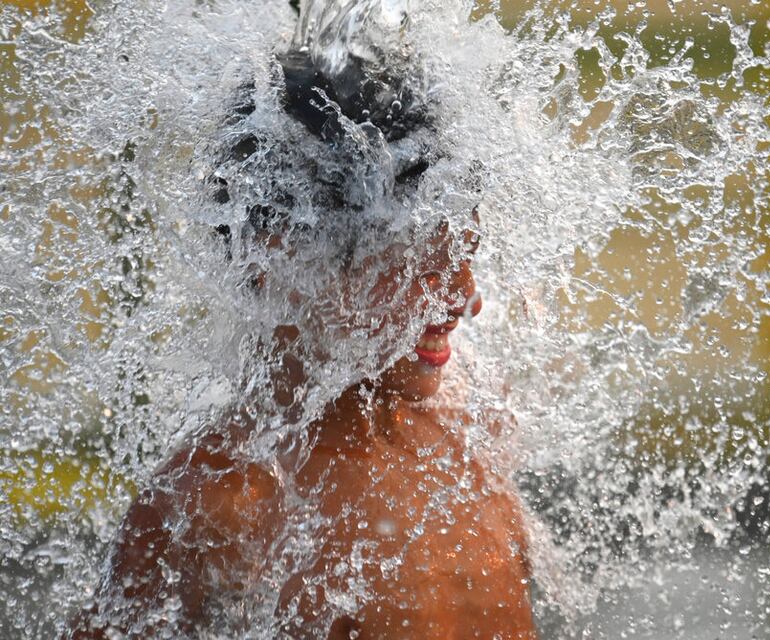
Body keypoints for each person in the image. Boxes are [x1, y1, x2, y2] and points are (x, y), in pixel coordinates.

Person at [63, 36, 537, 640]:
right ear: (281, 262)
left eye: (466, 256)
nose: (466, 299)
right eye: (426, 263)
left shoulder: (218, 494)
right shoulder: (224, 504)